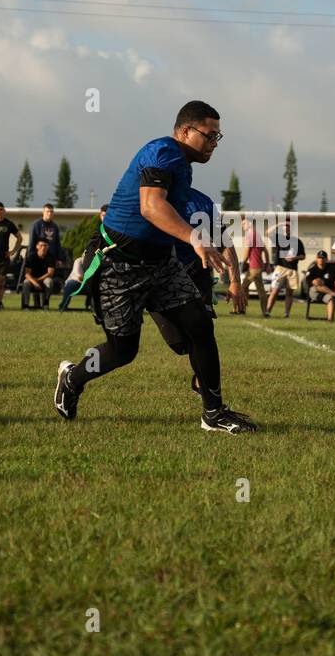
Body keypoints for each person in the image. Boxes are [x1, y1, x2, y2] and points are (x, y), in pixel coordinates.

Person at [54, 99, 257, 433]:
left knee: (200, 327)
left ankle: (213, 413)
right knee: (123, 350)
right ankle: (72, 377)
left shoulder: (184, 165)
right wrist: (194, 238)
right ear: (184, 130)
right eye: (209, 135)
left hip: (161, 263)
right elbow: (151, 207)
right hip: (120, 262)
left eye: (218, 137)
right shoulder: (163, 151)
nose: (214, 144)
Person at [148, 187, 245, 388]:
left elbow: (224, 241)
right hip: (162, 278)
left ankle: (205, 386)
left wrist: (235, 281)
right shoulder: (151, 197)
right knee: (179, 342)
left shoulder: (203, 201)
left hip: (197, 273)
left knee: (202, 334)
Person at [264, 219, 305, 318]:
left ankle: (287, 314)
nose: (286, 228)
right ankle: (267, 312)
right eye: (285, 226)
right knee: (275, 290)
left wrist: (294, 257)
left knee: (290, 292)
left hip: (292, 270)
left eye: (288, 226)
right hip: (280, 268)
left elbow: (303, 256)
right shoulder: (279, 238)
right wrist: (279, 224)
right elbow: (267, 233)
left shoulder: (297, 241)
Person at [240, 217, 269, 314]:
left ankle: (241, 310)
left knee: (243, 288)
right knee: (258, 289)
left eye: (244, 224)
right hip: (257, 266)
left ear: (249, 223)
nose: (242, 226)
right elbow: (266, 251)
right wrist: (268, 264)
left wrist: (243, 263)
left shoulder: (250, 234)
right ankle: (265, 312)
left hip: (254, 267)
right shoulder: (257, 235)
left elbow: (247, 250)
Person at [305, 250, 335, 322]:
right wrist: (316, 282)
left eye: (323, 258)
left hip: (326, 294)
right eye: (319, 258)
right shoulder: (312, 270)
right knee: (317, 285)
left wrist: (322, 281)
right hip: (315, 293)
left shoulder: (331, 270)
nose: (321, 259)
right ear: (316, 259)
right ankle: (334, 294)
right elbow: (309, 281)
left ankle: (330, 319)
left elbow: (331, 280)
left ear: (326, 259)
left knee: (330, 298)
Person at [21, 240, 56, 309]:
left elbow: (50, 273)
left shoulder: (51, 257)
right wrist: (35, 283)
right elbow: (27, 274)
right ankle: (26, 305)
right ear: (37, 246)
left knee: (49, 281)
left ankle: (45, 303)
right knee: (26, 282)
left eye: (45, 245)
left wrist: (39, 280)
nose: (43, 247)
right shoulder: (31, 256)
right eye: (41, 245)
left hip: (44, 280)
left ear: (48, 247)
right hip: (32, 280)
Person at [30, 204, 64, 274]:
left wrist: (59, 258)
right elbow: (32, 242)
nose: (49, 213)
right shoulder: (36, 225)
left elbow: (57, 243)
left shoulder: (55, 226)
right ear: (43, 212)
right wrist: (31, 256)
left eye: (51, 212)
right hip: (39, 258)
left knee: (50, 279)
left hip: (51, 259)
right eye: (47, 211)